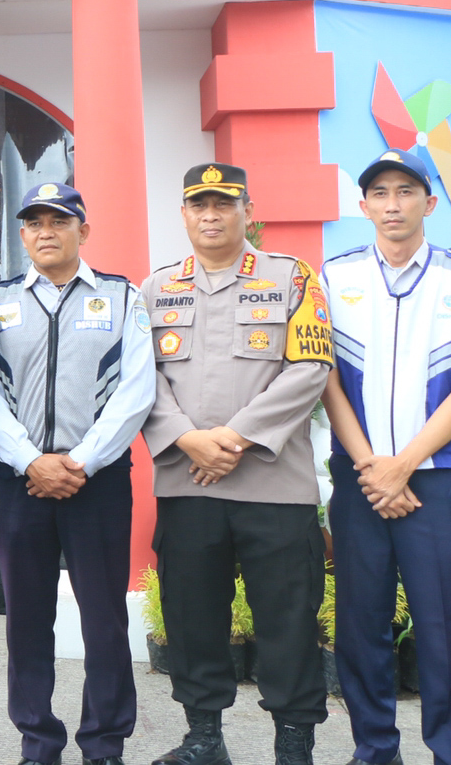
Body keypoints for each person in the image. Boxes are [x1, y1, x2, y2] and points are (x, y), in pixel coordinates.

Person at [140, 163, 332, 765]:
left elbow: (311, 368)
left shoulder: (293, 278)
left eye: (224, 203)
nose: (211, 215)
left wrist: (234, 437)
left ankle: (293, 743)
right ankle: (204, 737)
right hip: (186, 482)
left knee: (288, 621)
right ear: (185, 214)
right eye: (199, 204)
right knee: (192, 618)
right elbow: (136, 381)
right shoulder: (155, 288)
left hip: (275, 486)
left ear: (247, 209)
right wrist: (187, 439)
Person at [0, 182, 155, 765]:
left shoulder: (122, 297)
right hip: (21, 481)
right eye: (34, 222)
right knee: (28, 618)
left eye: (59, 220)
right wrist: (31, 461)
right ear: (22, 234)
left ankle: (104, 743)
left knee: (103, 616)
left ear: (84, 230)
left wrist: (81, 462)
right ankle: (38, 740)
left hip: (96, 482)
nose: (46, 231)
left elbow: (136, 391)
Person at [321, 150, 451, 765]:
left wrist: (403, 464)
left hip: (436, 479)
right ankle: (374, 749)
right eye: (380, 193)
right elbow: (328, 379)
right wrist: (373, 467)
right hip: (361, 478)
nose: (393, 204)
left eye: (406, 191)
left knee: (444, 624)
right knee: (361, 624)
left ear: (430, 202)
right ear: (363, 205)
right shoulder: (333, 278)